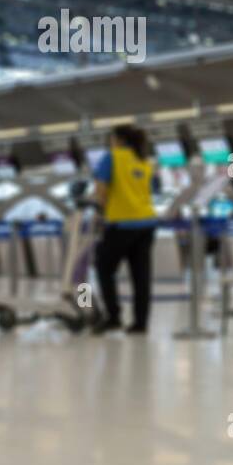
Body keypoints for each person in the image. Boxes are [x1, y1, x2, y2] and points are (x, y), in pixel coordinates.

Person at [92, 125, 158, 334]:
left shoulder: (111, 157)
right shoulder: (145, 160)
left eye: (111, 138)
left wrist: (98, 212)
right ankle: (141, 323)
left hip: (121, 223)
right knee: (141, 275)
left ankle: (113, 316)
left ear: (118, 139)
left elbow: (100, 192)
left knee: (103, 268)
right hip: (147, 223)